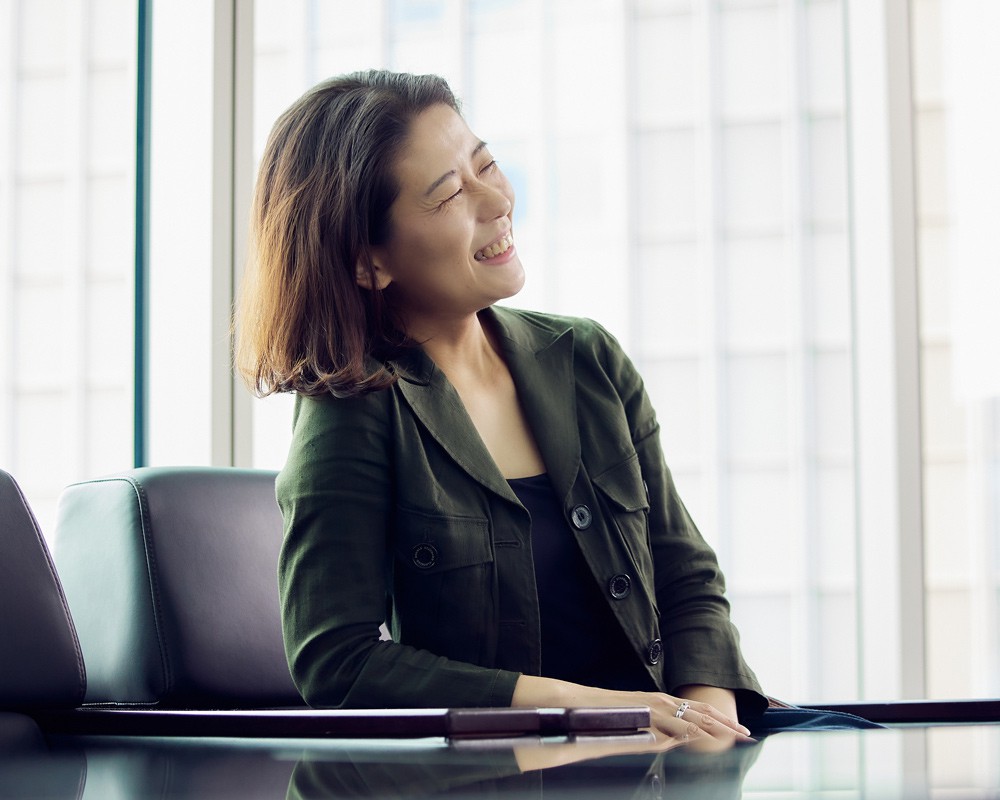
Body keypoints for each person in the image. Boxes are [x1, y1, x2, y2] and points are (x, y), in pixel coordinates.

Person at [235, 69, 768, 750]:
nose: (495, 199)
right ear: (369, 262)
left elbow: (685, 576)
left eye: (484, 164)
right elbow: (336, 663)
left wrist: (705, 722)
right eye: (452, 193)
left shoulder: (586, 358)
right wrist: (586, 713)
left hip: (655, 772)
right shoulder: (355, 405)